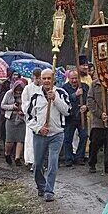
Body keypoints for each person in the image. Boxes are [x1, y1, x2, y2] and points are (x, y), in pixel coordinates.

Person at [26, 68, 71, 202]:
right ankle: (41, 185)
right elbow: (29, 117)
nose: (46, 81)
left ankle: (49, 190)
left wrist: (55, 99)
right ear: (40, 79)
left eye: (49, 78)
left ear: (54, 79)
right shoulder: (35, 96)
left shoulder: (61, 93)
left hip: (56, 134)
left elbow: (67, 111)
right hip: (40, 135)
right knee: (38, 163)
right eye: (44, 78)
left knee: (52, 161)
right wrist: (39, 128)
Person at [62, 69, 89, 167]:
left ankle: (79, 157)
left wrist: (86, 107)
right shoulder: (64, 88)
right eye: (72, 78)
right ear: (68, 78)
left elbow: (89, 99)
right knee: (68, 138)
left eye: (76, 78)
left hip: (82, 116)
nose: (74, 80)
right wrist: (75, 95)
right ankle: (68, 158)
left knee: (84, 136)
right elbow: (63, 100)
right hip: (70, 116)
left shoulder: (85, 87)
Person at [1, 79, 27, 165]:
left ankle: (17, 158)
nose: (18, 92)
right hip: (11, 118)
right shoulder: (9, 94)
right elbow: (3, 105)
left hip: (21, 119)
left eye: (20, 91)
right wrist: (12, 107)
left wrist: (23, 111)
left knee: (20, 139)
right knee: (9, 140)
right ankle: (7, 154)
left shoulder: (25, 95)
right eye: (17, 90)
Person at [22, 68, 44, 168]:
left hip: (41, 118)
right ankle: (30, 160)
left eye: (40, 78)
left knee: (41, 141)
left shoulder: (44, 88)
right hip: (31, 118)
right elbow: (25, 102)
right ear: (33, 78)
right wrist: (31, 110)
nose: (39, 80)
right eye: (37, 78)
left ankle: (40, 161)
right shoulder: (28, 88)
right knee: (31, 140)